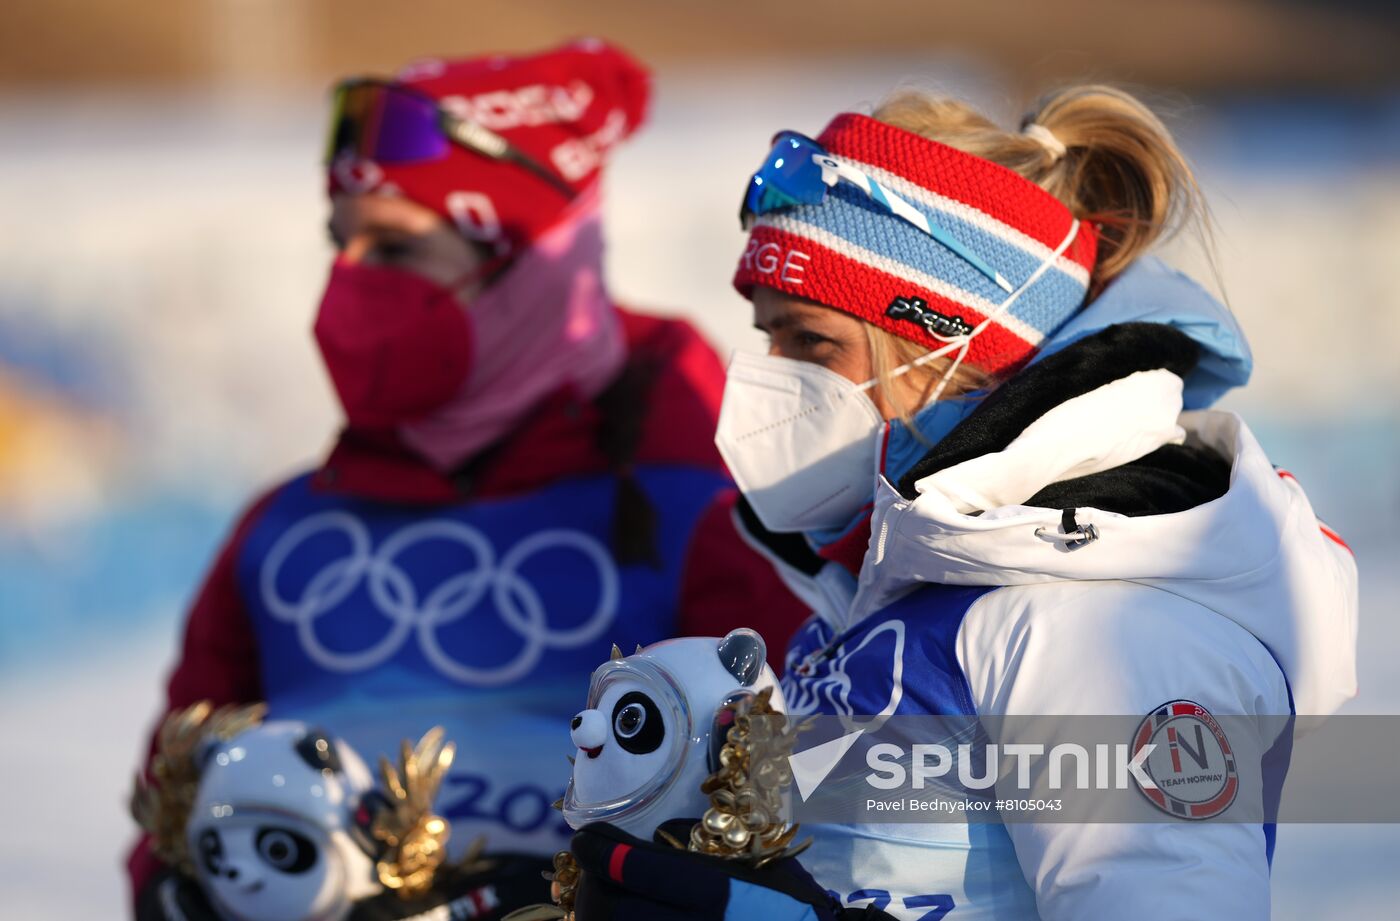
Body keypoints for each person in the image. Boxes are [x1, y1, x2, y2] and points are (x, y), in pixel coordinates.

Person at [566, 86, 1358, 919]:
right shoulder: (873, 592)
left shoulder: (1104, 626)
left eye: (811, 341)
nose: (769, 378)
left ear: (957, 349)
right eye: (767, 338)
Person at [127, 39, 808, 916]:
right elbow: (175, 808)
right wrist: (177, 890)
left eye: (397, 249)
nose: (348, 286)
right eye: (341, 245)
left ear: (533, 265)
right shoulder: (284, 533)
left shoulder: (713, 516)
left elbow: (795, 830)